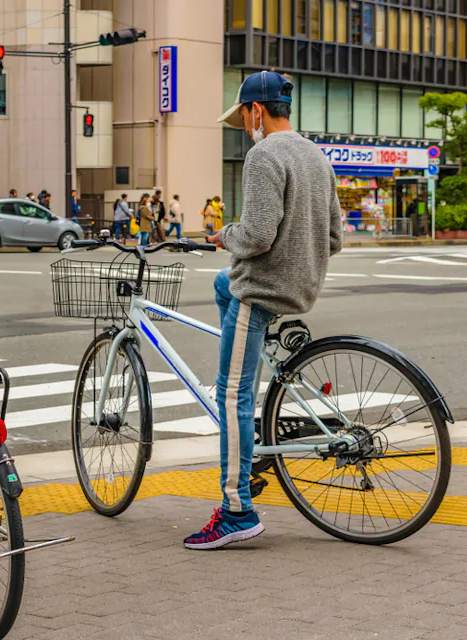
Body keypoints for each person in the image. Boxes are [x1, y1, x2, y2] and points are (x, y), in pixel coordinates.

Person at [183, 70, 342, 550]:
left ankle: (237, 511)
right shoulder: (316, 154)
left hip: (264, 292)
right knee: (220, 283)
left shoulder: (264, 154)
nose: (245, 126)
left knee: (232, 396)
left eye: (244, 116)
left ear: (255, 110)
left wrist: (223, 235)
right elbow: (334, 238)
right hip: (302, 286)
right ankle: (253, 358)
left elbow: (254, 237)